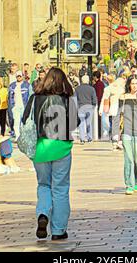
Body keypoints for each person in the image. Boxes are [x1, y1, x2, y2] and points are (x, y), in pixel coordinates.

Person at [22, 67, 79, 241]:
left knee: (44, 185)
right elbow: (74, 123)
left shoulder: (35, 98)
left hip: (41, 147)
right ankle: (58, 230)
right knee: (60, 188)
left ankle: (42, 214)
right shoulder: (67, 99)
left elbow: (25, 121)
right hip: (61, 146)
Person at [116, 75, 137, 195]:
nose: (134, 85)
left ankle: (136, 181)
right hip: (126, 132)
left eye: (136, 83)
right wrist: (115, 135)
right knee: (128, 159)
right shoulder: (123, 98)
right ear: (129, 84)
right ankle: (128, 184)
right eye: (132, 83)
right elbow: (118, 115)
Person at [8, 71, 31, 140]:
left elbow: (30, 96)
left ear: (23, 76)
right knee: (16, 121)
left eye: (20, 76)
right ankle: (17, 136)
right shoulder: (12, 85)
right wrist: (11, 106)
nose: (19, 77)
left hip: (24, 105)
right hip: (15, 106)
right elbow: (9, 96)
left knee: (24, 122)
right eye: (18, 76)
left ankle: (23, 136)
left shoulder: (27, 85)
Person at [75, 75, 97, 144]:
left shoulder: (77, 89)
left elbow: (74, 99)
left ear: (81, 80)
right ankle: (89, 138)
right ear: (88, 81)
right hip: (89, 107)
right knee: (89, 123)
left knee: (81, 123)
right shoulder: (92, 89)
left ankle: (82, 139)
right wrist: (94, 105)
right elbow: (94, 99)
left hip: (81, 107)